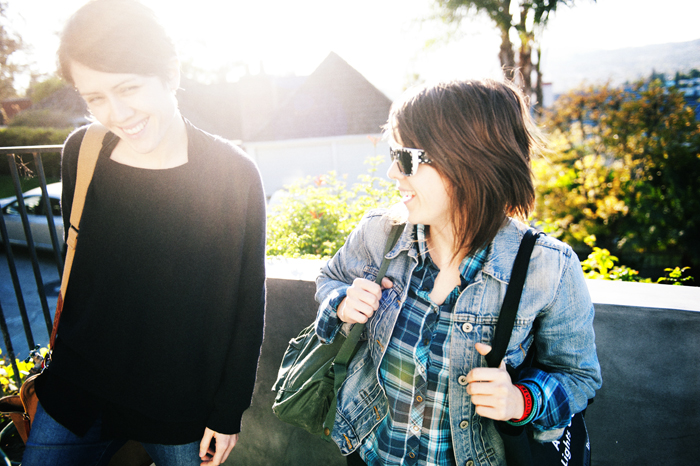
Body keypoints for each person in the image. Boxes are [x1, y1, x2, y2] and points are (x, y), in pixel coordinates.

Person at [23, 1, 266, 465]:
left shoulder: (233, 175)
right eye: (94, 98)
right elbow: (82, 270)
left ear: (170, 74)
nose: (116, 113)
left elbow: (246, 301)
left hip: (177, 407)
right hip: (77, 393)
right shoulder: (84, 151)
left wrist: (227, 412)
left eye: (128, 88)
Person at [314, 79, 602, 466]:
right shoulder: (378, 233)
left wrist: (521, 400)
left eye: (405, 157)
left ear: (466, 161)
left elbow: (579, 378)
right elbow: (329, 278)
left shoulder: (547, 267)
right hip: (370, 455)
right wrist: (341, 302)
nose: (390, 172)